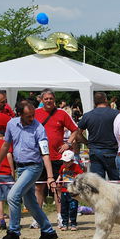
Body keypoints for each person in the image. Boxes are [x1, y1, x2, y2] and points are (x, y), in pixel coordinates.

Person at [0, 101, 58, 239]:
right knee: (29, 202)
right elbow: (5, 145)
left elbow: (45, 153)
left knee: (13, 196)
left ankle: (13, 232)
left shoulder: (38, 128)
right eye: (28, 116)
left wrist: (50, 176)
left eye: (33, 115)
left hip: (34, 167)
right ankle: (48, 231)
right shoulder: (11, 124)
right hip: (20, 168)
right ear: (19, 114)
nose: (32, 118)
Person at [34, 90, 79, 222]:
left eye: (51, 99)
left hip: (58, 158)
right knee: (39, 187)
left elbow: (75, 130)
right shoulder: (35, 113)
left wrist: (68, 143)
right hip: (40, 157)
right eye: (46, 99)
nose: (49, 101)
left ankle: (60, 216)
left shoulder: (61, 113)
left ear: (54, 100)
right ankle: (37, 218)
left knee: (58, 187)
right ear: (42, 100)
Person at [76, 92, 119, 180]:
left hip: (94, 151)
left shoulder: (87, 115)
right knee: (116, 182)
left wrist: (87, 143)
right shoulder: (116, 114)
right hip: (112, 150)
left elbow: (77, 134)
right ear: (106, 100)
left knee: (98, 183)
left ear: (94, 102)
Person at [57, 150, 85, 231]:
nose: (65, 163)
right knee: (63, 208)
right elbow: (60, 175)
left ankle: (73, 224)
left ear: (72, 161)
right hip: (64, 191)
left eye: (67, 162)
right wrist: (57, 181)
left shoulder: (76, 167)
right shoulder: (62, 167)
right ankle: (65, 224)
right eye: (64, 161)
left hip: (73, 192)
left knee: (73, 208)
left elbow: (81, 176)